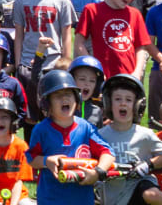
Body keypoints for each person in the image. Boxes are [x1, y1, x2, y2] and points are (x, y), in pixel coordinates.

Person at [28, 71, 113, 205]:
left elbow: (108, 153)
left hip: (82, 198)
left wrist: (98, 173)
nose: (64, 99)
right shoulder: (41, 130)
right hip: (50, 198)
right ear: (47, 103)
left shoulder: (86, 128)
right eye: (57, 96)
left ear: (77, 99)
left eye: (68, 94)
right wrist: (46, 161)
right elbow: (31, 158)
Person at [94, 75, 162, 205]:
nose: (123, 103)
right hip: (112, 193)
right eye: (117, 99)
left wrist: (149, 164)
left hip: (139, 184)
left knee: (153, 195)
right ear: (108, 103)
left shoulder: (144, 134)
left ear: (138, 105)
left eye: (129, 100)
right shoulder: (100, 136)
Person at [78, 0, 156, 79]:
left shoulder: (135, 14)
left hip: (129, 76)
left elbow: (141, 48)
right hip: (102, 76)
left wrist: (137, 72)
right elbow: (78, 44)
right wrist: (93, 68)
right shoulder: (92, 10)